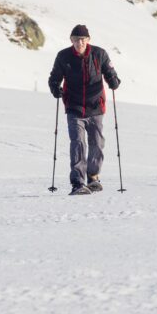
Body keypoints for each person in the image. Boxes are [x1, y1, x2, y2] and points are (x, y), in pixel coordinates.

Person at [48, 24, 121, 195]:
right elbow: (54, 78)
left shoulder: (99, 54)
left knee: (97, 143)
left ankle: (93, 177)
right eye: (76, 39)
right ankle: (78, 183)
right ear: (71, 40)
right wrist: (55, 89)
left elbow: (110, 71)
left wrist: (113, 80)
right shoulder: (63, 56)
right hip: (74, 106)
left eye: (82, 39)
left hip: (95, 106)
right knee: (78, 143)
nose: (79, 42)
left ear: (88, 40)